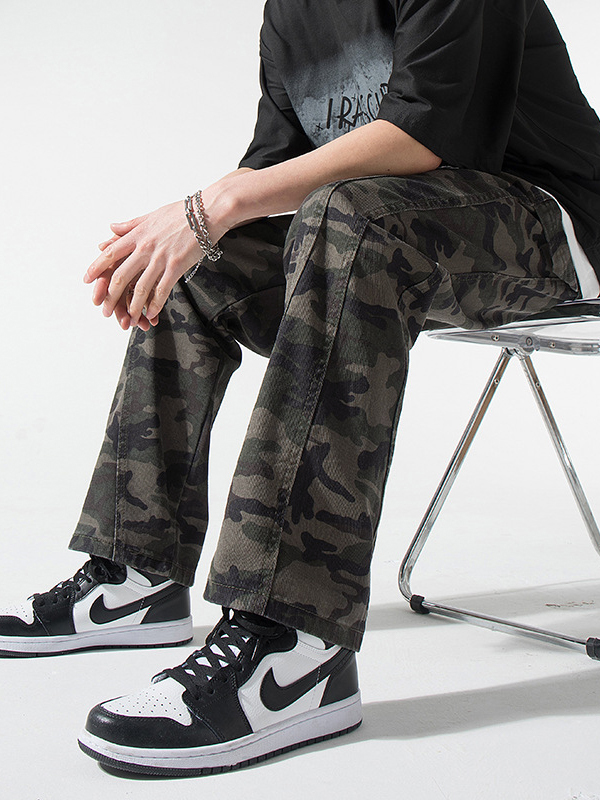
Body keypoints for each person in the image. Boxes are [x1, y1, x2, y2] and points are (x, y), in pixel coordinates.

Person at [2, 0, 600, 778]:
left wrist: (210, 206)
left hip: (558, 229)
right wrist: (182, 232)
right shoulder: (291, 9)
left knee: (344, 218)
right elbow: (271, 172)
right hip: (404, 231)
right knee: (201, 260)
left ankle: (293, 642)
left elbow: (424, 138)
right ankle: (132, 575)